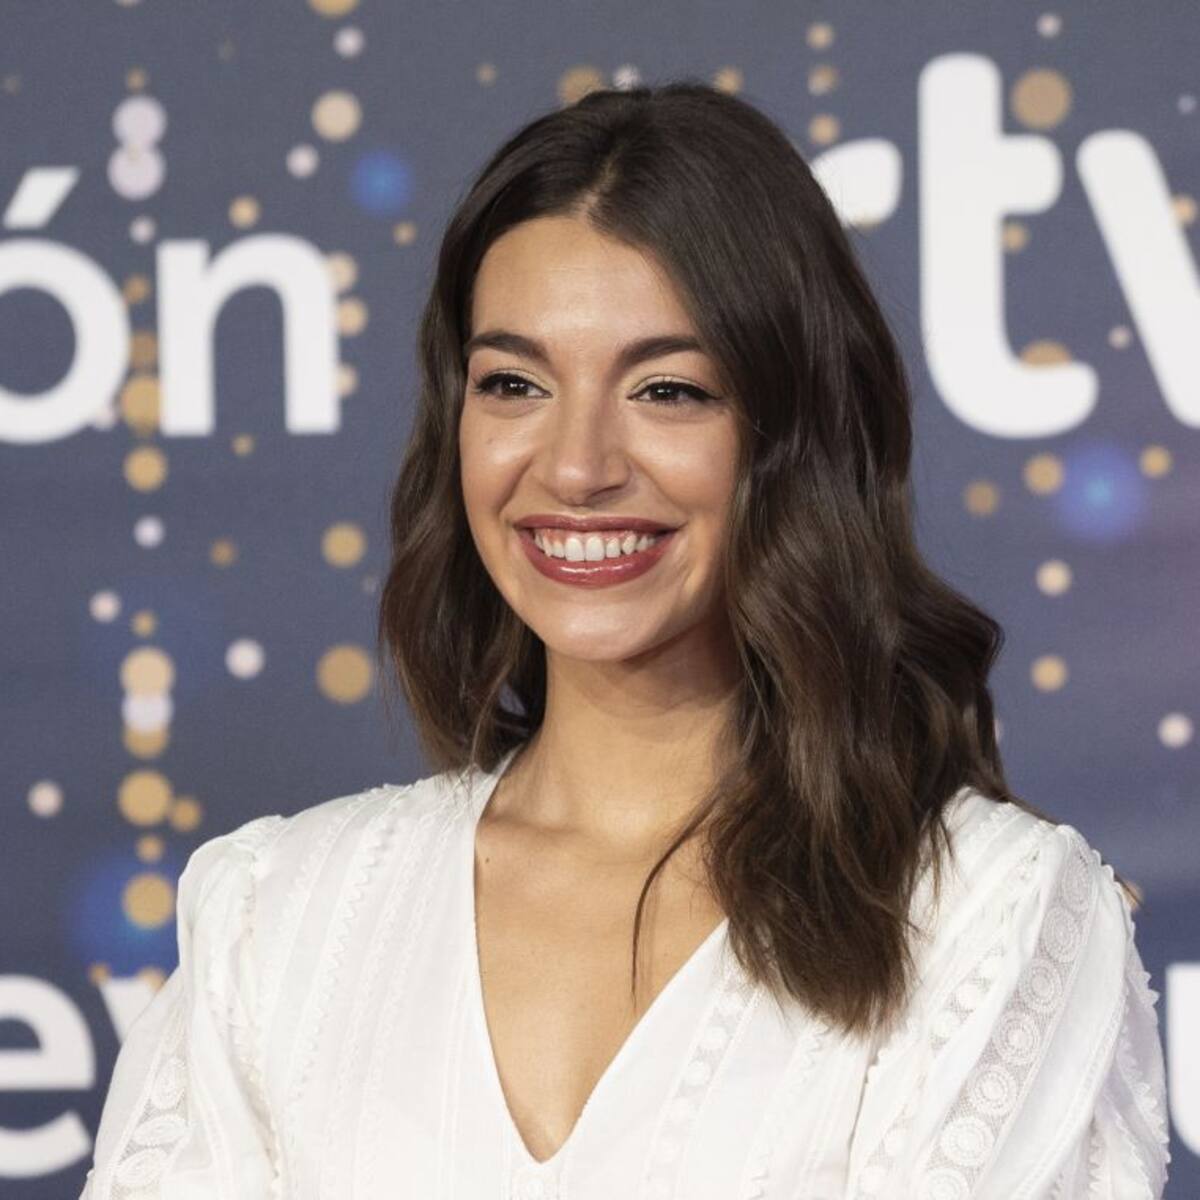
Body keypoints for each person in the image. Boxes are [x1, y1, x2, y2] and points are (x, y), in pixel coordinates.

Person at [79, 80, 1169, 1199]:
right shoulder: (274, 918)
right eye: (514, 383)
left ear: (796, 434)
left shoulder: (986, 915)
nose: (576, 466)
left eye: (668, 390)